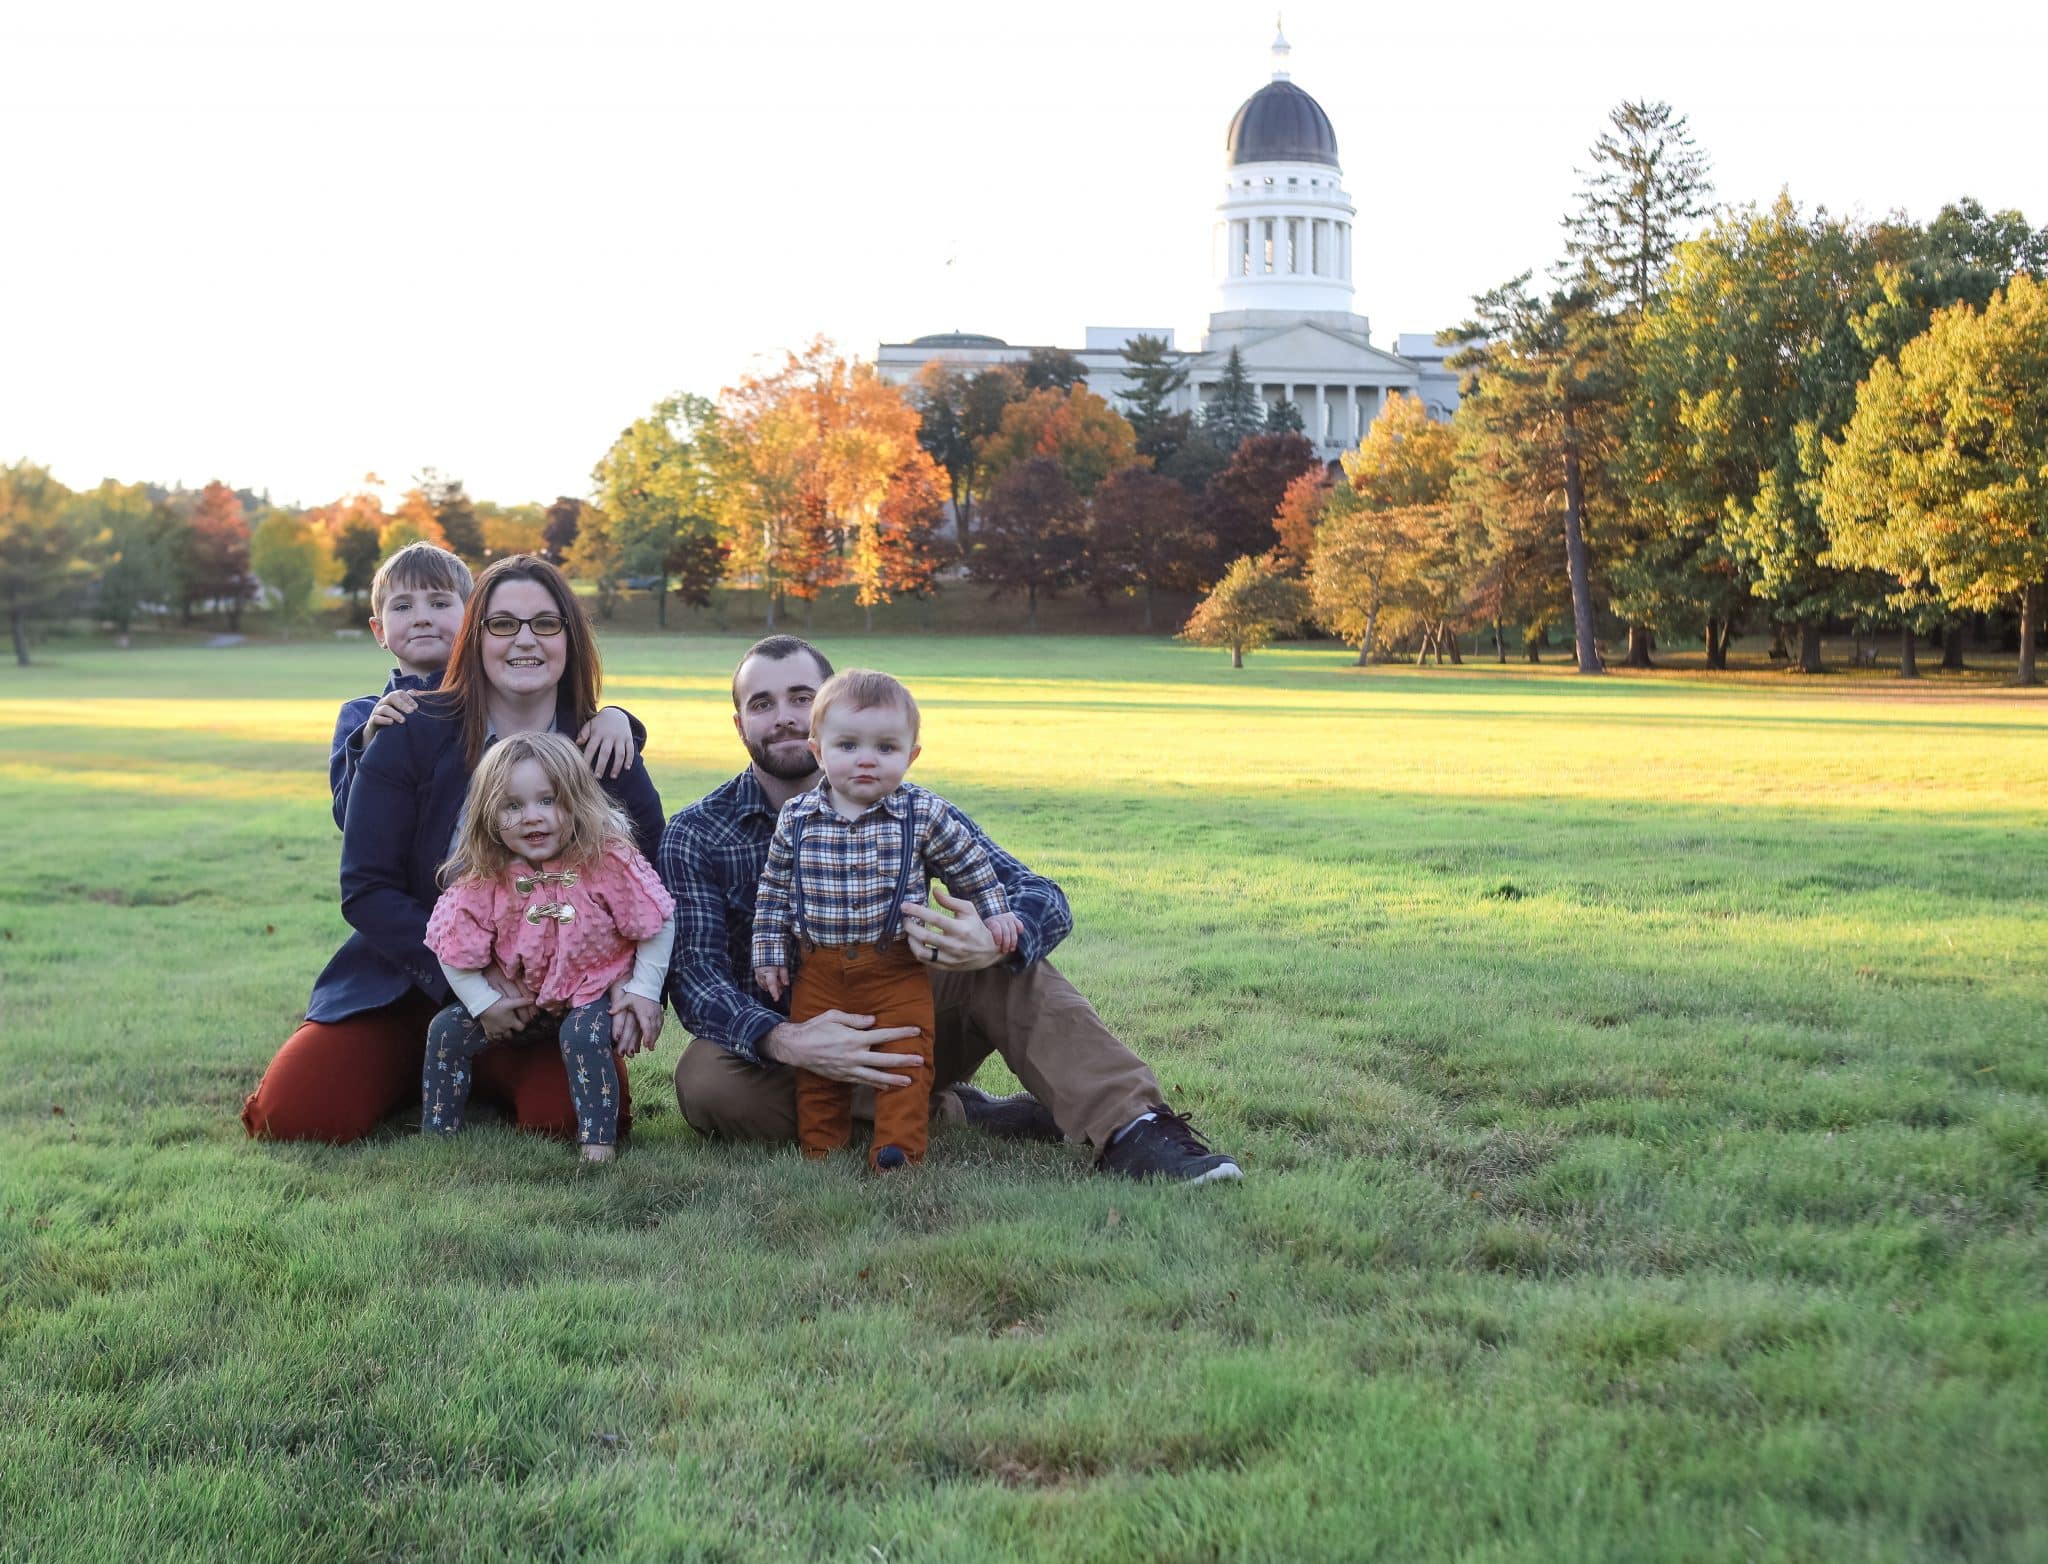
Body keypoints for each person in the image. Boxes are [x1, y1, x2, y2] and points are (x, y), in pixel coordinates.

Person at [661, 635, 1242, 1183]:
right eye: (762, 703)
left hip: (906, 1004)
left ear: (828, 710)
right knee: (707, 1084)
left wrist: (992, 938)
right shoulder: (697, 832)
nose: (783, 714)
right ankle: (957, 1112)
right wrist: (784, 1039)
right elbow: (695, 978)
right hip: (794, 1039)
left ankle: (1133, 1127)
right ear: (740, 724)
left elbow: (1039, 894)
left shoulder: (911, 808)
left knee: (1002, 949)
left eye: (801, 697)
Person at [242, 555, 665, 1144]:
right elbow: (367, 889)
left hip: (543, 1006)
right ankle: (405, 1065)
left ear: (571, 637)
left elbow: (652, 884)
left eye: (546, 624)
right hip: (402, 982)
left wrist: (631, 981)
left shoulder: (601, 748)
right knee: (293, 1115)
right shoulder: (409, 732)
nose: (524, 640)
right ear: (474, 636)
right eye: (502, 624)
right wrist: (471, 977)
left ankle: (476, 1075)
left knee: (566, 1122)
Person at [751, 669, 1023, 1171]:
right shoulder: (797, 818)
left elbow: (971, 866)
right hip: (819, 969)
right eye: (849, 745)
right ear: (818, 751)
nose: (867, 759)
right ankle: (821, 1146)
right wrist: (768, 954)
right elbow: (774, 891)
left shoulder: (922, 813)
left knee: (907, 1056)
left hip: (896, 966)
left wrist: (996, 912)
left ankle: (897, 1149)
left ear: (912, 755)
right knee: (818, 1068)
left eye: (887, 747)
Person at [423, 732, 674, 1161]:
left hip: (591, 992)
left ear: (577, 801)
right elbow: (452, 948)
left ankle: (598, 1144)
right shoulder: (484, 877)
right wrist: (483, 1004)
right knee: (446, 1030)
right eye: (513, 806)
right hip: (519, 1000)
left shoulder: (606, 860)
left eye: (548, 800)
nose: (532, 818)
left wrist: (643, 991)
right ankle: (438, 1134)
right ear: (488, 815)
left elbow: (656, 920)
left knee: (584, 1035)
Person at [328, 541, 637, 829]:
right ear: (378, 630)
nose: (422, 618)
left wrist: (615, 717)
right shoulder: (362, 716)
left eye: (439, 603)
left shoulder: (499, 697)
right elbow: (348, 817)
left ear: (472, 620)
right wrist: (368, 742)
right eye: (402, 607)